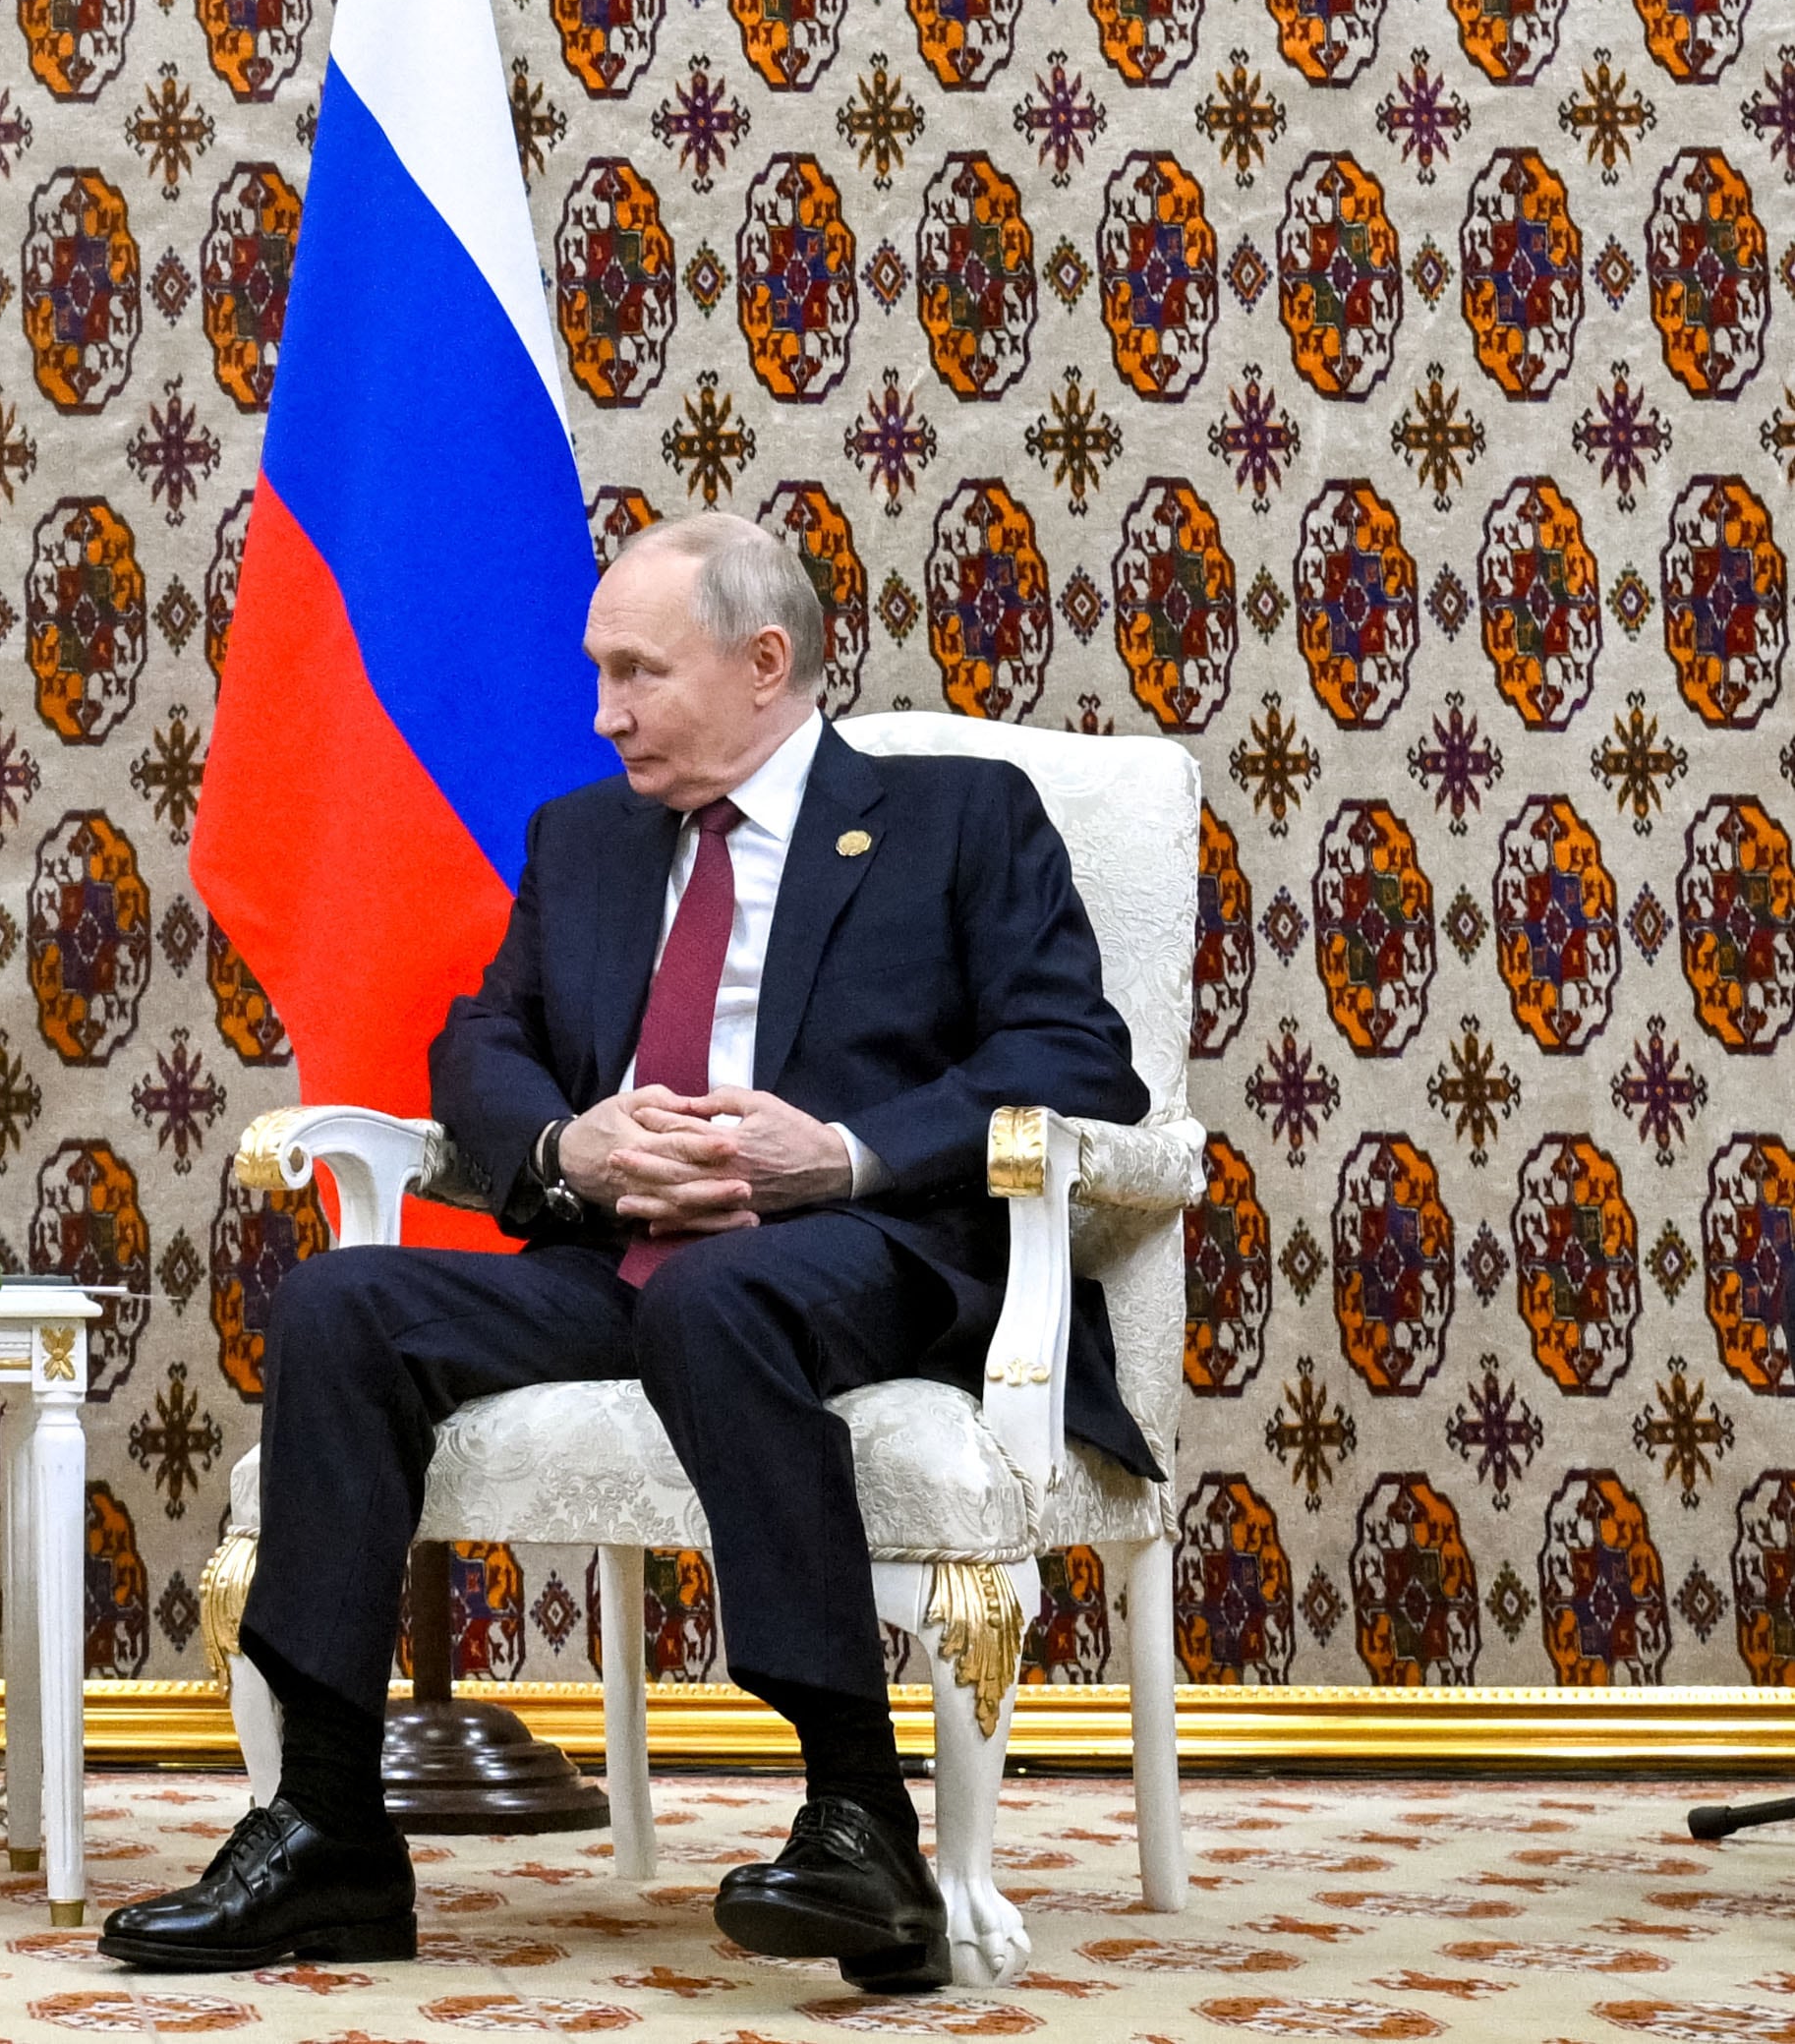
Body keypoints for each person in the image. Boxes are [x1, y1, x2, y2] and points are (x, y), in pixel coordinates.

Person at [102, 512, 1154, 1991]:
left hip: (860, 1259)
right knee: (345, 1302)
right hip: (615, 1264)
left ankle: (864, 1819)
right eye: (601, 674)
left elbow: (1074, 1053)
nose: (602, 712)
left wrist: (837, 1151)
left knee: (722, 1296)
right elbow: (481, 1037)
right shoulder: (584, 838)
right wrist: (564, 1148)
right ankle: (328, 1823)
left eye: (636, 674)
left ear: (764, 661)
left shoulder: (959, 821)